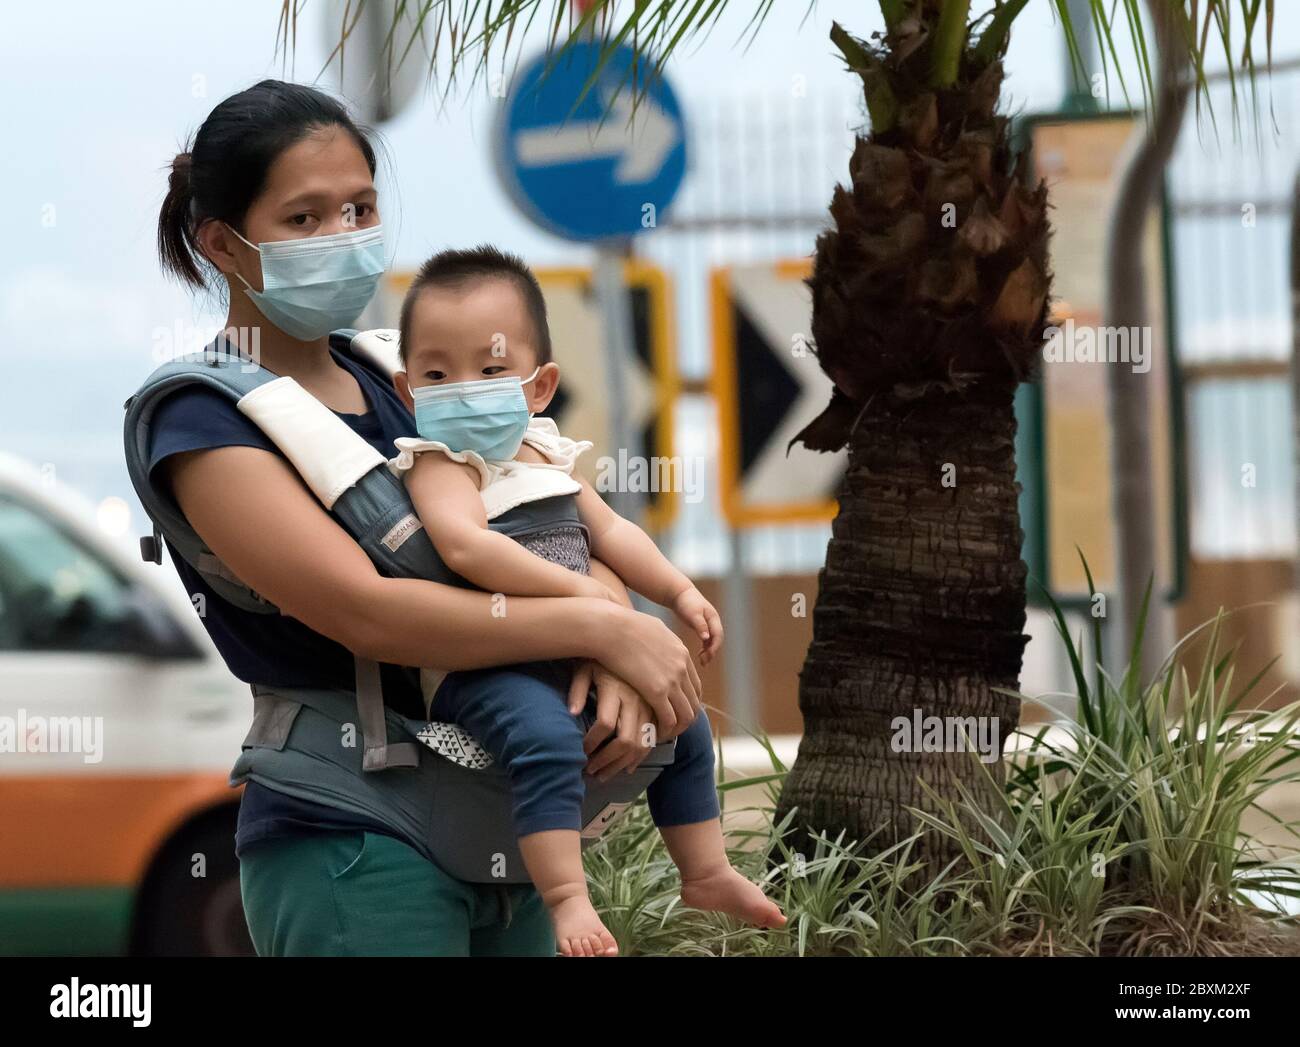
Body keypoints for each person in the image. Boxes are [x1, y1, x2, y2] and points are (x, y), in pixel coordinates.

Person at [146, 78, 703, 956]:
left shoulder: (408, 376)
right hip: (352, 833)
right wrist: (600, 624)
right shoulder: (202, 420)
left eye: (360, 207)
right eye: (304, 218)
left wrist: (613, 631)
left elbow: (546, 512)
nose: (344, 236)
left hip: (499, 816)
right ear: (223, 242)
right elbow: (365, 610)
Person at [387, 246, 787, 956]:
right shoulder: (438, 465)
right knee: (543, 739)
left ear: (539, 386)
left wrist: (677, 588)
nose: (464, 388)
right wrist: (590, 603)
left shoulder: (547, 453)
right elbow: (468, 549)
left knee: (682, 716)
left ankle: (706, 868)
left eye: (490, 368)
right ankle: (568, 897)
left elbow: (610, 530)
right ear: (409, 389)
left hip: (572, 648)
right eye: (438, 373)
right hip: (487, 665)